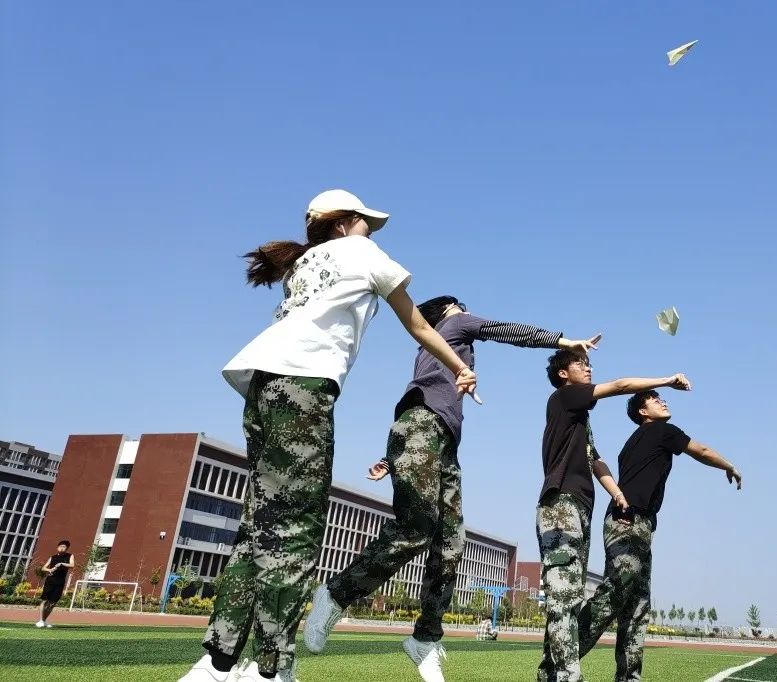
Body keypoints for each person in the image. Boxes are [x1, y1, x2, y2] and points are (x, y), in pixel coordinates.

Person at [179, 190, 477, 682]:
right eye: (365, 223)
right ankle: (272, 671)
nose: (372, 232)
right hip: (303, 387)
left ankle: (217, 664)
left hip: (260, 385)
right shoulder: (361, 252)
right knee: (294, 529)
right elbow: (420, 325)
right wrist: (461, 367)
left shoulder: (305, 261)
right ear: (344, 223)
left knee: (258, 529)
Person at [304, 295, 598, 682]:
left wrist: (392, 458)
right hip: (422, 429)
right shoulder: (454, 326)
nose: (467, 310)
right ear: (447, 311)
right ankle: (337, 593)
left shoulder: (445, 349)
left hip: (440, 442)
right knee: (416, 527)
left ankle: (424, 638)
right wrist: (563, 341)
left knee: (451, 544)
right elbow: (504, 330)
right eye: (461, 304)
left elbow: (423, 413)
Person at [536, 351, 691, 682]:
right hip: (560, 505)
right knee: (563, 597)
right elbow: (621, 385)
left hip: (581, 509)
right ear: (564, 374)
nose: (588, 367)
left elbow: (596, 461)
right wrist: (667, 379)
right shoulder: (563, 398)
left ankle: (550, 673)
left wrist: (618, 494)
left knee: (570, 597)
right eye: (580, 364)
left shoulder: (579, 421)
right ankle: (564, 676)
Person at [577, 390, 742, 681]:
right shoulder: (662, 431)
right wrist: (728, 465)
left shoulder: (633, 442)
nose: (663, 402)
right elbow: (700, 450)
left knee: (637, 605)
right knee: (616, 591)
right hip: (627, 520)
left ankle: (629, 678)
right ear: (643, 413)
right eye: (655, 400)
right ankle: (562, 655)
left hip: (639, 523)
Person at [37, 540, 74, 628]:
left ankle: (44, 620)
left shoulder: (70, 556)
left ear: (67, 549)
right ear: (57, 548)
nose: (62, 548)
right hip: (50, 581)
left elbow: (72, 565)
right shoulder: (52, 557)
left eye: (64, 547)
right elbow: (43, 568)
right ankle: (41, 620)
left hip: (60, 582)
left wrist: (62, 563)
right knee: (45, 600)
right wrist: (49, 570)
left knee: (53, 603)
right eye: (60, 546)